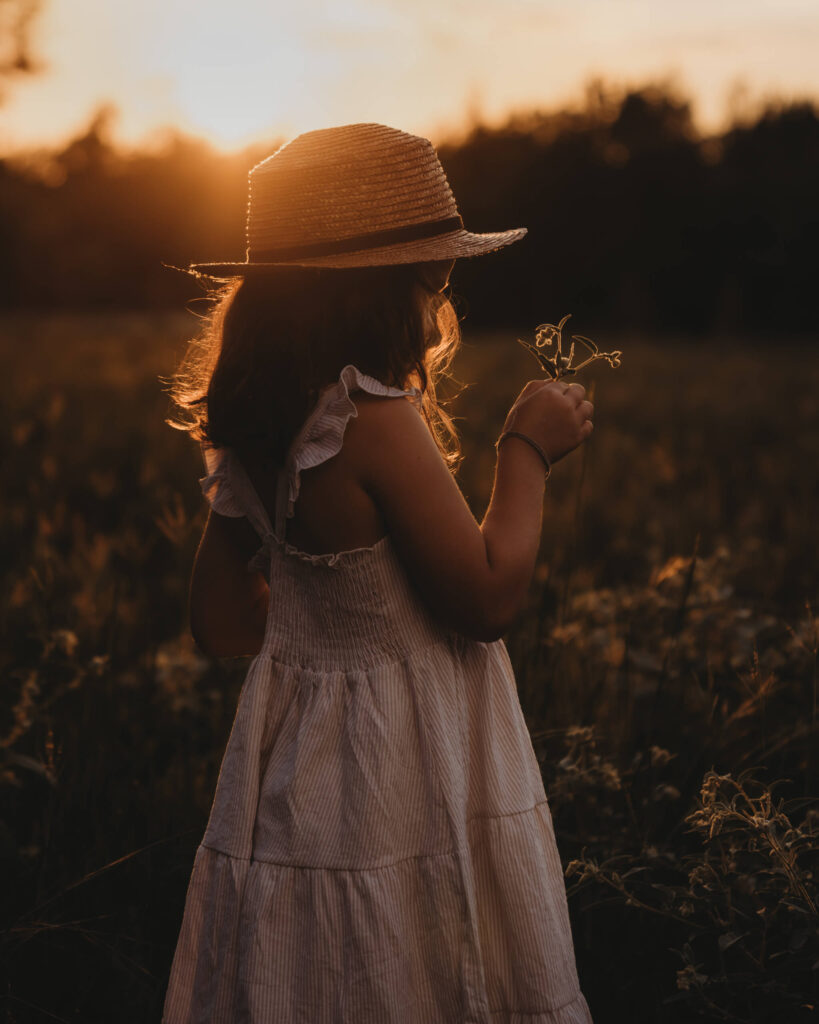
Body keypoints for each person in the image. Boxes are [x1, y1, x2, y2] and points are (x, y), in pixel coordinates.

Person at [162, 122, 594, 1024]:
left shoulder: (259, 426)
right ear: (381, 288)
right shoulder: (369, 415)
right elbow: (485, 597)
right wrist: (524, 449)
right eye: (432, 279)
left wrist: (328, 634)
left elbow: (220, 622)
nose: (439, 304)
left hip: (300, 765)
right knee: (428, 959)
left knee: (328, 968)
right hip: (412, 758)